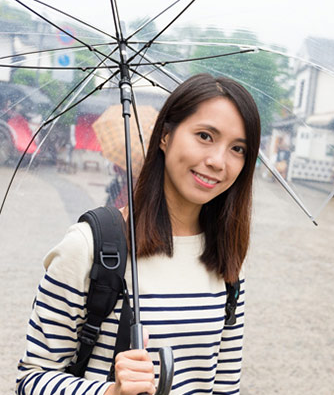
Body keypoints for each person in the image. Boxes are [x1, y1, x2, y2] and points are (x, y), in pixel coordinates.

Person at [16, 74, 261, 395]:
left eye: (238, 148)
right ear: (165, 136)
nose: (218, 161)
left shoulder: (227, 256)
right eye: (204, 135)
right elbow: (33, 378)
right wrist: (109, 392)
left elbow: (226, 383)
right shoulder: (89, 247)